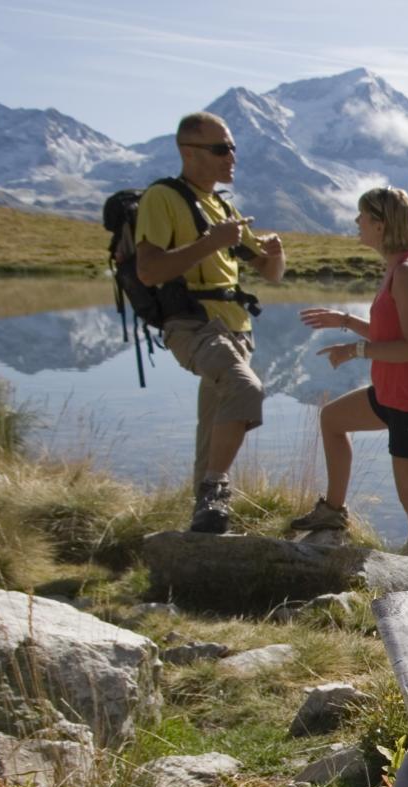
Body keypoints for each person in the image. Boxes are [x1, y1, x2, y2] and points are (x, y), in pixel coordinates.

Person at [135, 111, 285, 534]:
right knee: (245, 387)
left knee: (211, 431)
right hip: (193, 325)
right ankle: (217, 490)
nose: (230, 157)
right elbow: (149, 271)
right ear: (188, 151)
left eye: (233, 148)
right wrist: (210, 243)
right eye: (221, 149)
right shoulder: (163, 198)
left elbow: (271, 274)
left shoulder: (222, 205)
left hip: (237, 330)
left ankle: (201, 530)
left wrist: (274, 251)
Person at [291, 187, 408, 562]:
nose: (357, 223)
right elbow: (391, 334)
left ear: (380, 225)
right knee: (332, 419)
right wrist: (345, 321)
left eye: (362, 217)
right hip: (391, 395)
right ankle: (332, 512)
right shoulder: (397, 268)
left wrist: (355, 350)